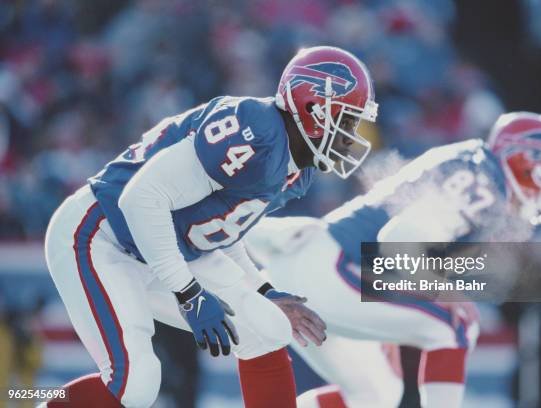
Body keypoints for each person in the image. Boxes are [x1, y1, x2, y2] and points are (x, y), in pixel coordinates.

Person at [42, 46, 378, 408]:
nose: (351, 134)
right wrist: (189, 294)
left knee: (267, 329)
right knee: (135, 385)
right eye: (346, 119)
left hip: (166, 243)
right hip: (104, 233)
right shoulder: (254, 129)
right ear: (312, 106)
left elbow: (221, 230)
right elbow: (140, 199)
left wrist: (262, 289)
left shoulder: (297, 168)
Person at [236, 112, 541, 408]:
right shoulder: (482, 182)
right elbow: (398, 238)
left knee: (375, 396)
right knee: (455, 325)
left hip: (311, 266)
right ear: (525, 158)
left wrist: (394, 316)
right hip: (328, 267)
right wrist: (440, 291)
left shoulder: (472, 162)